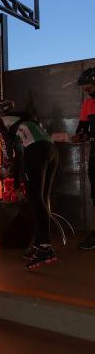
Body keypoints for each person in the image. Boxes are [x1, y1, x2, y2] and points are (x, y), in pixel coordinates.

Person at [0, 99, 59, 270]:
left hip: (36, 151)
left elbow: (7, 147)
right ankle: (40, 243)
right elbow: (20, 154)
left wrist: (5, 168)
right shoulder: (25, 119)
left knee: (34, 198)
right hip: (52, 150)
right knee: (42, 197)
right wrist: (17, 181)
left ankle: (45, 248)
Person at [73, 67, 95, 250]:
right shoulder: (88, 104)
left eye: (87, 86)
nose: (85, 90)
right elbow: (82, 130)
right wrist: (74, 137)